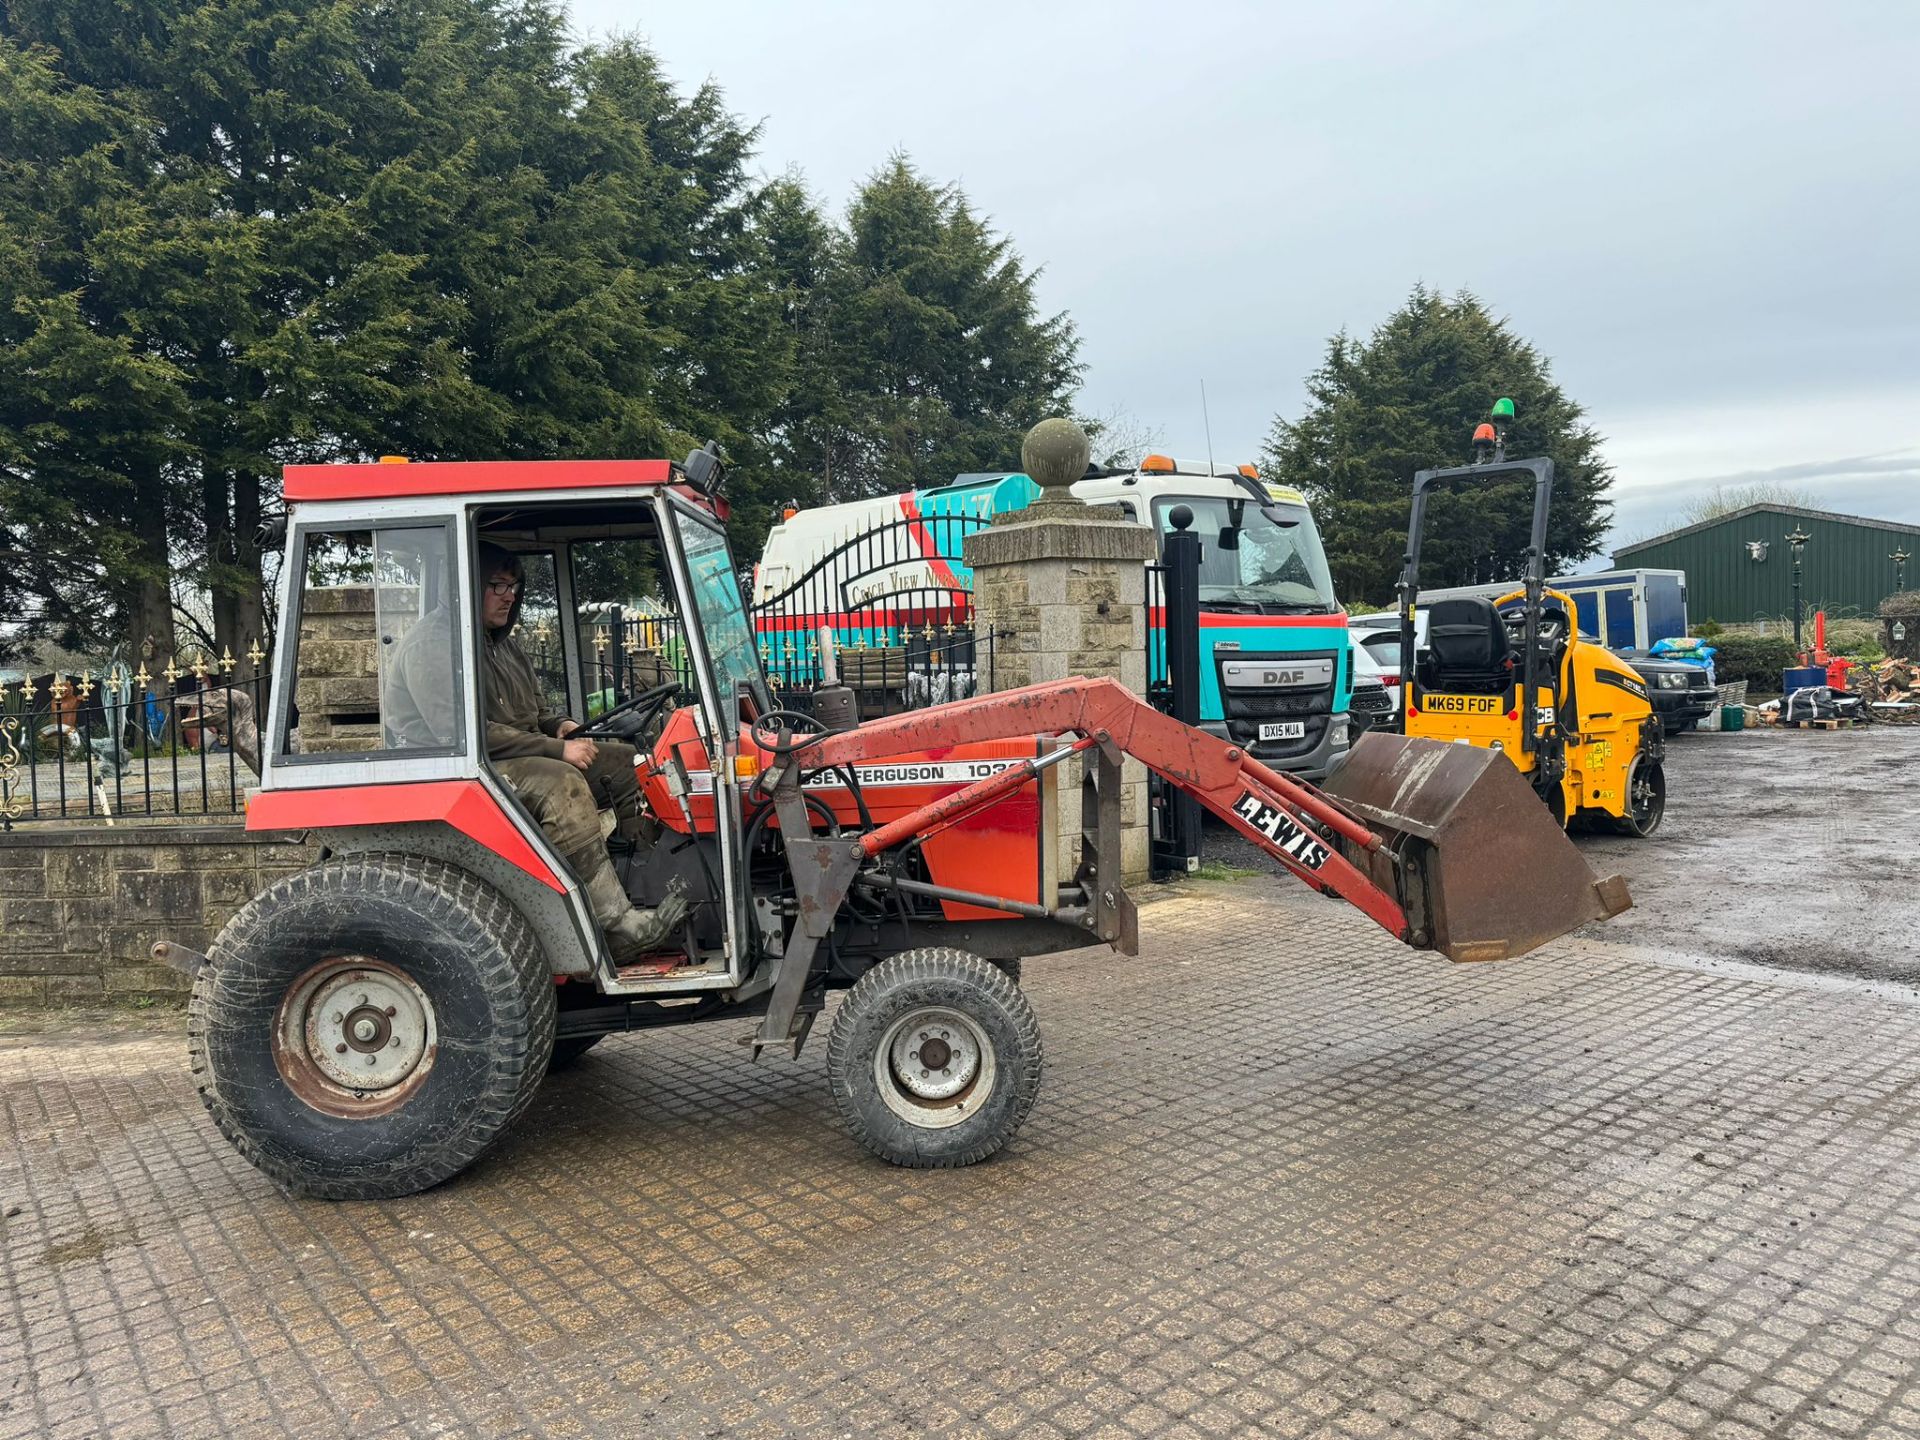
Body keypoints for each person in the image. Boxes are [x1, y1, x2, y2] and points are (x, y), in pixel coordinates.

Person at [386, 542, 687, 959]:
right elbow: (463, 733)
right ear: (467, 587)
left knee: (625, 762)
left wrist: (560, 725)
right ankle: (613, 925)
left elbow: (538, 710)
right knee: (562, 784)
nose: (509, 595)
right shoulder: (433, 645)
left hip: (512, 755)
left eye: (514, 585)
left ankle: (645, 882)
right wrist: (556, 749)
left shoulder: (502, 644)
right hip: (463, 770)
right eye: (497, 584)